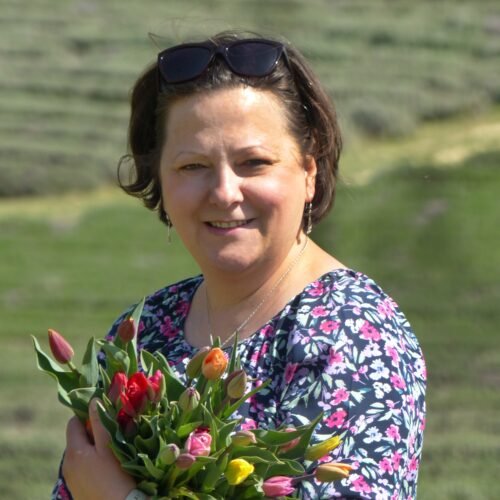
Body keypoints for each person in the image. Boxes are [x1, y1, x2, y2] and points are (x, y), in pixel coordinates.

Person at [53, 30, 426, 499]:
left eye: (254, 162)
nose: (225, 192)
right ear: (160, 179)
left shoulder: (352, 330)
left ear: (309, 172)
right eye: (192, 166)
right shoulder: (145, 331)